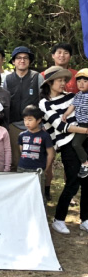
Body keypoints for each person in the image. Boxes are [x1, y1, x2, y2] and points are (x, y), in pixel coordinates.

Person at [39, 66, 88, 234]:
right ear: (50, 82)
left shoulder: (72, 97)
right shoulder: (44, 103)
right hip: (67, 144)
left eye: (65, 80)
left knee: (87, 181)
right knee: (73, 182)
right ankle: (59, 219)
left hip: (84, 141)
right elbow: (60, 126)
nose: (63, 83)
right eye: (59, 80)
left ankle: (85, 219)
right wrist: (85, 130)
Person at [5, 46, 44, 171]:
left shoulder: (37, 77)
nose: (22, 60)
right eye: (18, 58)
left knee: (34, 159)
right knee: (15, 160)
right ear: (13, 61)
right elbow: (5, 103)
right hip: (14, 125)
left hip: (34, 127)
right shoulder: (8, 79)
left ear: (29, 61)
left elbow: (43, 101)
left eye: (25, 58)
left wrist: (41, 124)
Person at [18, 105, 54, 200]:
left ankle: (41, 214)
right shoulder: (22, 135)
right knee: (22, 194)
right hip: (22, 168)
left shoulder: (45, 136)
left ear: (38, 120)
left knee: (38, 195)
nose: (27, 123)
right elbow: (21, 150)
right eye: (25, 120)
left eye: (30, 120)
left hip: (37, 170)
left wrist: (46, 168)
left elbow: (51, 154)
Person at [62, 68, 88, 177]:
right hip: (80, 125)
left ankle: (85, 164)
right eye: (79, 81)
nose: (81, 84)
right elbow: (72, 106)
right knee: (76, 144)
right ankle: (84, 163)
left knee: (76, 144)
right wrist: (66, 114)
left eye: (85, 81)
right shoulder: (78, 95)